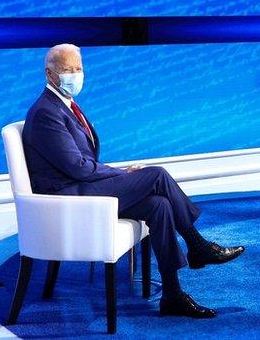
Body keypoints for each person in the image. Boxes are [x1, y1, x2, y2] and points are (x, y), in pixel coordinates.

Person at [22, 43, 244, 318]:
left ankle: (173, 295)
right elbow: (76, 167)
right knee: (156, 174)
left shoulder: (65, 106)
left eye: (79, 68)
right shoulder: (46, 112)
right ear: (50, 73)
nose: (75, 75)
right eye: (68, 70)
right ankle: (198, 245)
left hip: (84, 188)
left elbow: (82, 163)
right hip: (69, 198)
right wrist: (122, 175)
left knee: (159, 205)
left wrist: (120, 173)